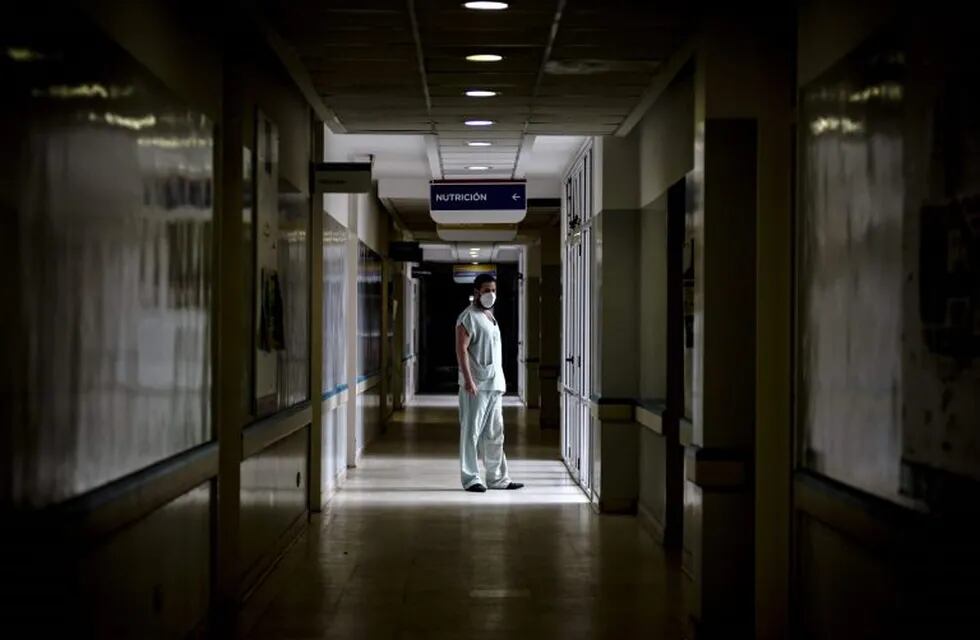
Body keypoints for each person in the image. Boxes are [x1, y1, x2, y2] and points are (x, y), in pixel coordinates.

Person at [455, 273, 524, 493]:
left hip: (494, 384)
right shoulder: (468, 317)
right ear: (476, 292)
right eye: (486, 290)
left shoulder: (489, 316)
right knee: (471, 433)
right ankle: (471, 478)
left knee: (495, 433)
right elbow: (461, 349)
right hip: (476, 385)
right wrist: (468, 380)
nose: (491, 294)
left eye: (493, 290)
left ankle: (497, 479)